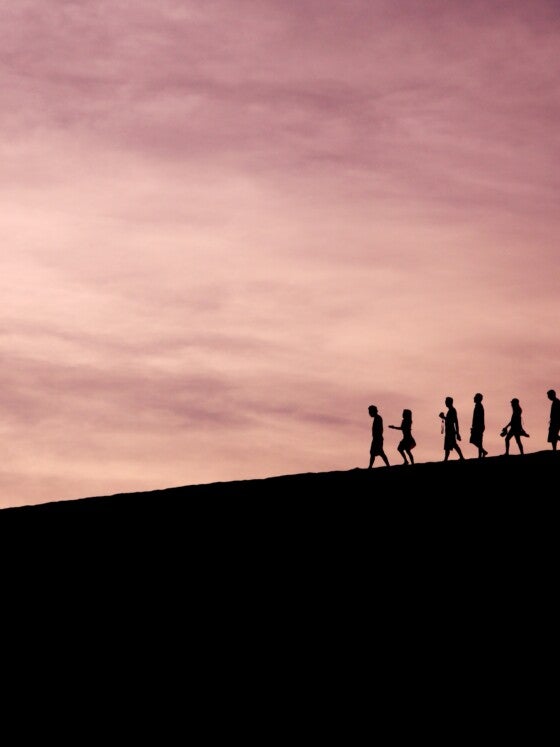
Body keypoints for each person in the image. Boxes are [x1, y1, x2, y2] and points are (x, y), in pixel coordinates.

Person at [439, 396, 465, 461]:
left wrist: (457, 432)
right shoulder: (451, 410)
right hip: (449, 431)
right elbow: (450, 420)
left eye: (446, 402)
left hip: (451, 431)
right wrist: (443, 417)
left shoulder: (452, 410)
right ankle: (446, 459)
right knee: (447, 446)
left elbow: (454, 421)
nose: (445, 403)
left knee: (453, 445)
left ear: (449, 402)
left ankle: (461, 457)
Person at [469, 393, 488, 458]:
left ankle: (481, 454)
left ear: (478, 399)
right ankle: (482, 453)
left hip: (478, 426)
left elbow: (479, 418)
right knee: (476, 441)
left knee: (476, 440)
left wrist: (475, 426)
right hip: (478, 426)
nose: (474, 398)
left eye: (475, 397)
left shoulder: (479, 406)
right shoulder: (478, 406)